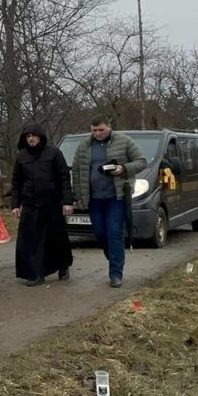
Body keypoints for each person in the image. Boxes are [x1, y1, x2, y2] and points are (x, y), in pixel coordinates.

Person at [70, 115, 146, 288]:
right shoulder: (84, 146)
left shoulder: (124, 141)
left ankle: (116, 273)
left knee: (114, 233)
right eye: (94, 130)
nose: (98, 133)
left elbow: (141, 162)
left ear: (109, 127)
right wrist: (78, 196)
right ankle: (113, 255)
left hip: (116, 197)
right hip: (94, 198)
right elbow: (76, 172)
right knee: (100, 233)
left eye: (101, 130)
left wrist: (123, 169)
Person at [10, 124, 74, 286]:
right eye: (28, 136)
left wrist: (67, 202)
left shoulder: (53, 154)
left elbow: (64, 179)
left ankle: (63, 265)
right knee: (31, 240)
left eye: (34, 135)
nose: (31, 139)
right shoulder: (21, 157)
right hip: (30, 203)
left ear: (40, 136)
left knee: (56, 237)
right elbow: (16, 182)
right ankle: (36, 273)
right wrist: (15, 205)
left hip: (51, 203)